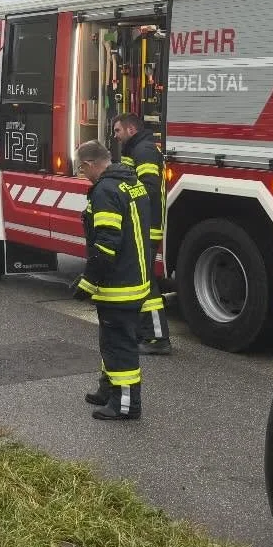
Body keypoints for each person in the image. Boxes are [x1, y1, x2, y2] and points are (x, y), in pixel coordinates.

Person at [75, 140, 153, 421]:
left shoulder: (105, 191)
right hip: (135, 278)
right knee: (111, 341)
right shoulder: (131, 183)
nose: (83, 174)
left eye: (81, 169)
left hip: (119, 285)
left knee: (119, 345)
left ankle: (126, 405)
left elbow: (107, 243)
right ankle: (108, 389)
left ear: (89, 164)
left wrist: (87, 282)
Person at [113, 112, 172, 355]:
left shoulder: (144, 150)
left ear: (131, 130)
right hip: (140, 225)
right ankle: (145, 332)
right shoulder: (135, 149)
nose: (115, 136)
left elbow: (148, 188)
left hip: (145, 227)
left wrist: (120, 196)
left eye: (117, 130)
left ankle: (158, 338)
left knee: (146, 283)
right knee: (140, 280)